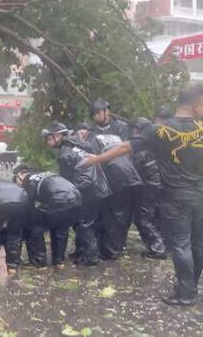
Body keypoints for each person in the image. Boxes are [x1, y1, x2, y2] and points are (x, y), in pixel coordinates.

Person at [80, 84, 203, 306]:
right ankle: (189, 286)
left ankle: (186, 294)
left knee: (181, 244)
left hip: (174, 197)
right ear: (196, 103)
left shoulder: (157, 130)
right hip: (200, 195)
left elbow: (125, 147)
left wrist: (93, 160)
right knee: (198, 243)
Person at [42, 121, 111, 266]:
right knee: (89, 223)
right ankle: (84, 252)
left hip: (89, 190)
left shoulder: (65, 153)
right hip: (98, 188)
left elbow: (68, 182)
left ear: (58, 136)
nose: (48, 143)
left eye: (49, 138)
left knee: (83, 224)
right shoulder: (75, 146)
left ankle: (90, 257)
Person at [88, 99, 144, 259]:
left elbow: (130, 151)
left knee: (121, 214)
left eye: (99, 112)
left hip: (123, 174)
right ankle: (105, 246)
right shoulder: (91, 130)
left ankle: (117, 247)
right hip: (104, 176)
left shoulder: (122, 128)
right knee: (104, 212)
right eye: (94, 114)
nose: (97, 116)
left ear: (107, 111)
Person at [13, 165, 82, 270]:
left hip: (58, 199)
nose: (19, 186)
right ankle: (59, 262)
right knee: (61, 229)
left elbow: (28, 205)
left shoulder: (28, 179)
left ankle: (38, 262)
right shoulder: (45, 174)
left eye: (16, 182)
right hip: (76, 198)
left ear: (20, 175)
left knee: (34, 227)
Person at [128, 117, 167, 259]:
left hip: (149, 186)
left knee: (142, 218)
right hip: (158, 185)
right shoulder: (157, 144)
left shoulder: (142, 147)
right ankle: (161, 244)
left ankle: (158, 248)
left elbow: (135, 169)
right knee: (152, 216)